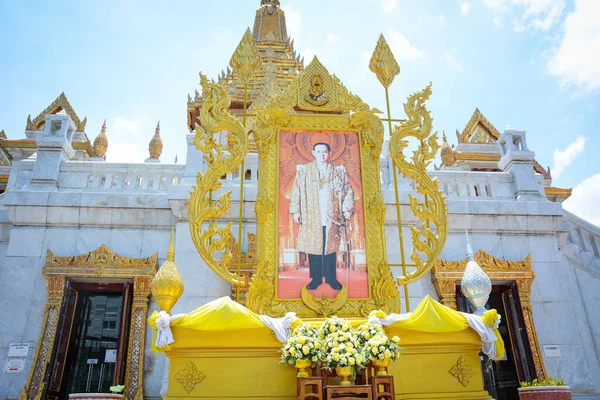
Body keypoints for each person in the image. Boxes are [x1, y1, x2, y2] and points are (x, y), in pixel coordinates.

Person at [289, 142, 355, 290]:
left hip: (332, 215)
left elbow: (348, 191)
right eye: (318, 152)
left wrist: (346, 209)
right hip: (312, 214)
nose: (322, 155)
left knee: (330, 247)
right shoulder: (304, 171)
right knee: (315, 247)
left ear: (329, 153)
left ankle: (331, 278)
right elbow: (296, 191)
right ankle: (316, 278)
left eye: (324, 151)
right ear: (313, 153)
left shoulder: (338, 172)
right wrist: (297, 211)